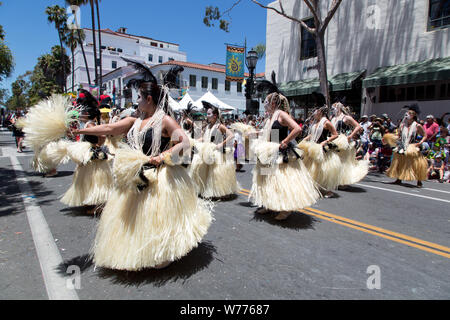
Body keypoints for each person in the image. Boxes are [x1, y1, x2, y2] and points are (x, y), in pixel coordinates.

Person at [71, 59, 213, 271]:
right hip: (137, 176)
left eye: (138, 97)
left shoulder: (164, 120)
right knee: (138, 217)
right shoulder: (134, 121)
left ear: (148, 99)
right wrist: (79, 131)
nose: (135, 101)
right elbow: (108, 128)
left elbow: (183, 142)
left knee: (158, 217)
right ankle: (139, 251)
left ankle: (164, 250)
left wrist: (162, 156)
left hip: (161, 176)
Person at [249, 91, 320, 220]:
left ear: (274, 103)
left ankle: (286, 209)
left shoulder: (282, 114)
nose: (264, 105)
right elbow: (268, 133)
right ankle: (268, 204)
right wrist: (253, 133)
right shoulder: (271, 117)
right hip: (269, 152)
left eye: (266, 102)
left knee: (280, 180)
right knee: (267, 178)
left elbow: (297, 129)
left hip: (281, 153)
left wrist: (286, 141)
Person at [61, 89, 113, 215]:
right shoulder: (85, 125)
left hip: (93, 157)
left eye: (83, 113)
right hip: (88, 156)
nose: (80, 114)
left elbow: (102, 137)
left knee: (95, 181)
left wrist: (96, 147)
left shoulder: (90, 125)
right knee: (87, 180)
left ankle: (98, 204)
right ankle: (90, 201)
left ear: (89, 114)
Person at [189, 101, 239, 199]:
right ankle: (204, 189)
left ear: (215, 116)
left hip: (216, 153)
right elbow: (203, 138)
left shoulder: (219, 126)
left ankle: (216, 192)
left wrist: (221, 143)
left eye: (209, 114)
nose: (207, 116)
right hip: (207, 151)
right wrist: (192, 141)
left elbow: (231, 135)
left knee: (214, 174)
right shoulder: (207, 126)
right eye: (206, 114)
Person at [299, 104, 340, 198]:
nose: (314, 113)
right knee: (311, 168)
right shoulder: (315, 122)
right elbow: (312, 134)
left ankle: (328, 191)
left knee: (323, 170)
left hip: (322, 149)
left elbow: (335, 134)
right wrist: (305, 138)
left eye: (315, 111)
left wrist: (325, 141)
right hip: (313, 147)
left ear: (320, 112)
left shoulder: (326, 122)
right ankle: (313, 187)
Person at [386, 104, 428, 187]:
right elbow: (399, 135)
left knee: (415, 163)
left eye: (410, 113)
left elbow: (425, 135)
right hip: (403, 144)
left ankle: (419, 180)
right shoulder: (402, 124)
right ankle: (399, 178)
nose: (408, 114)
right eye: (408, 113)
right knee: (400, 161)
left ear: (414, 115)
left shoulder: (417, 125)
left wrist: (420, 143)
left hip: (412, 146)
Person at [330, 101, 368, 187]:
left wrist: (350, 136)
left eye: (334, 108)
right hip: (334, 140)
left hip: (343, 141)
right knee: (333, 161)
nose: (333, 110)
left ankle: (343, 181)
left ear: (339, 108)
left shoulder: (346, 117)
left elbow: (358, 126)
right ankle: (335, 180)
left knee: (343, 161)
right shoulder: (332, 118)